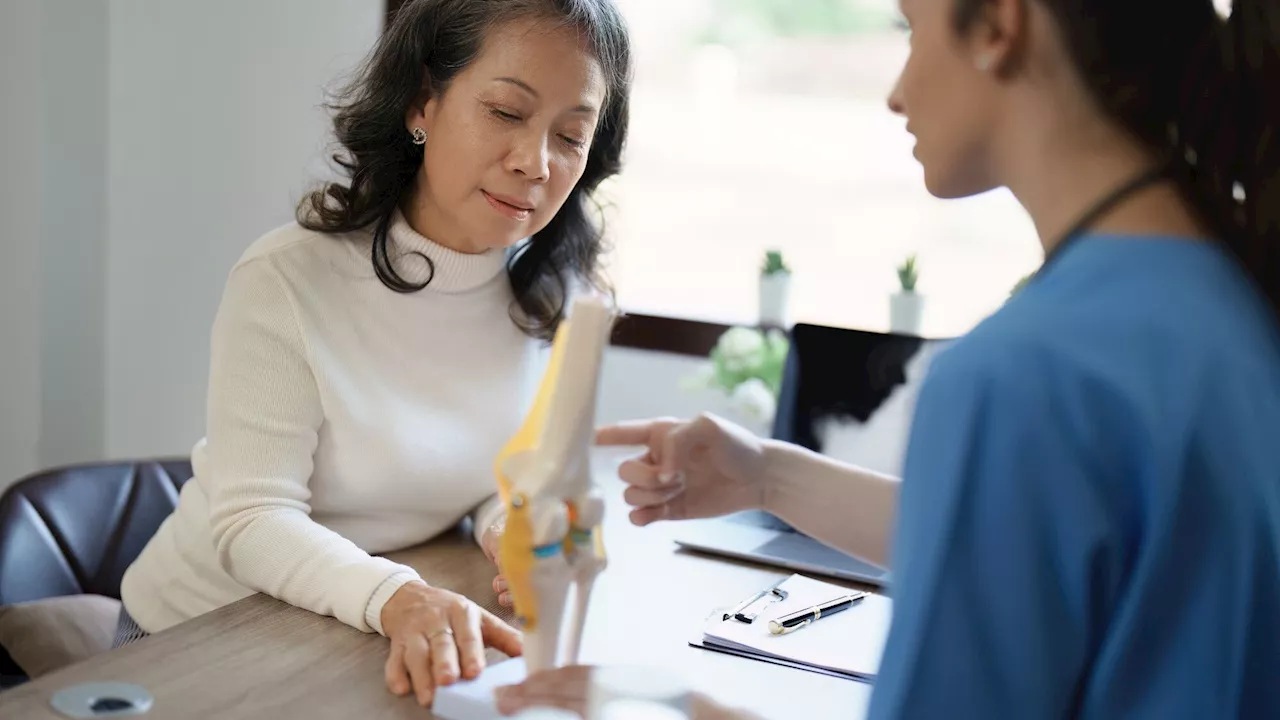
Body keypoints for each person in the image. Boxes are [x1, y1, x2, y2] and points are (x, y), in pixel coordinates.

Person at [497, 0, 1280, 717]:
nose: (897, 92)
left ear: (1001, 24)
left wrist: (665, 703)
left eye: (912, 28)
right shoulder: (1227, 294)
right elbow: (1057, 546)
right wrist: (767, 474)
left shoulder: (1030, 372)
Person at [117, 0, 632, 709]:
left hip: (356, 630)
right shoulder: (288, 279)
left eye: (571, 135)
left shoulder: (550, 298)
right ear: (423, 100)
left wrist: (511, 523)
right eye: (507, 113)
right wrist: (398, 597)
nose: (534, 163)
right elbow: (252, 518)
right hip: (201, 633)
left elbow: (502, 468)